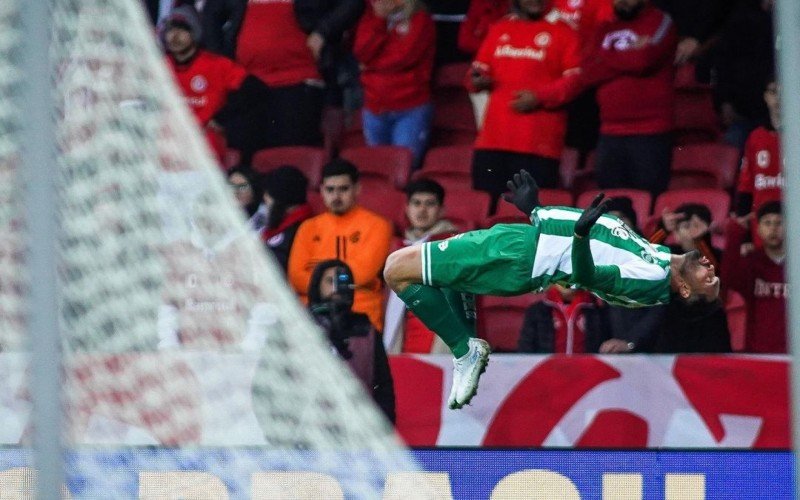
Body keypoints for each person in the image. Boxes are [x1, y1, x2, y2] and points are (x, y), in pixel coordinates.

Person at [383, 170, 720, 409]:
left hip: (521, 255)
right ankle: (466, 349)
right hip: (524, 247)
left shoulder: (649, 279)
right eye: (713, 273)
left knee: (396, 270)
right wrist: (535, 208)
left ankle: (464, 350)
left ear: (685, 290)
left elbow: (588, 276)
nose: (711, 270)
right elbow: (621, 240)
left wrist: (578, 237)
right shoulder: (657, 257)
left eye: (709, 282)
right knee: (446, 276)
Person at [467, 0, 582, 211]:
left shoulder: (565, 32)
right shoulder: (501, 28)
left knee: (532, 217)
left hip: (537, 145)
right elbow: (476, 71)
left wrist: (539, 97)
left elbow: (575, 81)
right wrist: (477, 80)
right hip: (492, 141)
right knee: (485, 212)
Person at [580, 0, 678, 198]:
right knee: (610, 203)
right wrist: (630, 53)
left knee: (648, 200)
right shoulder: (604, 28)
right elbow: (588, 72)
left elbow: (644, 60)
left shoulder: (660, 21)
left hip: (650, 131)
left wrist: (606, 56)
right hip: (609, 132)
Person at [288, 159, 393, 330]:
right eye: (330, 190)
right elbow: (296, 277)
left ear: (357, 189)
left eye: (343, 189)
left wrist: (318, 277)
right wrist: (336, 283)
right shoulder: (308, 227)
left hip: (360, 311)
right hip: (310, 313)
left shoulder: (378, 225)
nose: (336, 196)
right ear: (321, 190)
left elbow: (363, 274)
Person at [162, 5, 262, 165]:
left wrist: (222, 118)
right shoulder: (159, 67)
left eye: (182, 30)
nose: (174, 36)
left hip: (206, 154)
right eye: (170, 30)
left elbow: (255, 90)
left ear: (195, 32)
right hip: (166, 152)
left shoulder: (217, 65)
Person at [308, 260, 396, 422]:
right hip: (307, 433)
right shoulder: (299, 326)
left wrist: (384, 429)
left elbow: (383, 386)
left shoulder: (366, 329)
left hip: (357, 431)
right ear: (316, 285)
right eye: (329, 281)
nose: (336, 287)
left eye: (342, 281)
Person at [353, 0, 436, 169]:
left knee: (403, 169)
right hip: (374, 107)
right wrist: (380, 21)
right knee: (379, 169)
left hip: (410, 107)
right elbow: (361, 52)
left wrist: (371, 64)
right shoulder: (370, 18)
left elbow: (404, 57)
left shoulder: (420, 20)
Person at [383, 179, 459, 354]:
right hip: (405, 343)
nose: (422, 210)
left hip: (438, 345)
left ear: (442, 210)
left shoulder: (452, 246)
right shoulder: (401, 248)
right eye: (416, 203)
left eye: (430, 204)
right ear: (407, 208)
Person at [720, 201, 786, 353]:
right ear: (759, 229)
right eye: (767, 223)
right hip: (759, 353)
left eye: (779, 222)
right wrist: (735, 234)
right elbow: (728, 278)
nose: (773, 228)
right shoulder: (752, 262)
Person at [735, 77, 783, 222]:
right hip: (762, 225)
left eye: (784, 92)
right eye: (774, 92)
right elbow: (746, 184)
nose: (779, 98)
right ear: (766, 97)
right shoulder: (755, 137)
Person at [517, 284, 605, 353]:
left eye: (572, 274)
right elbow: (526, 348)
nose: (566, 280)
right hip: (548, 372)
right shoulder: (537, 311)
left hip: (587, 372)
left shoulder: (597, 311)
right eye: (561, 275)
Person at [260, 166, 314, 271]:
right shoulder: (284, 225)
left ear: (282, 200)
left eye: (269, 198)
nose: (265, 202)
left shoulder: (298, 231)